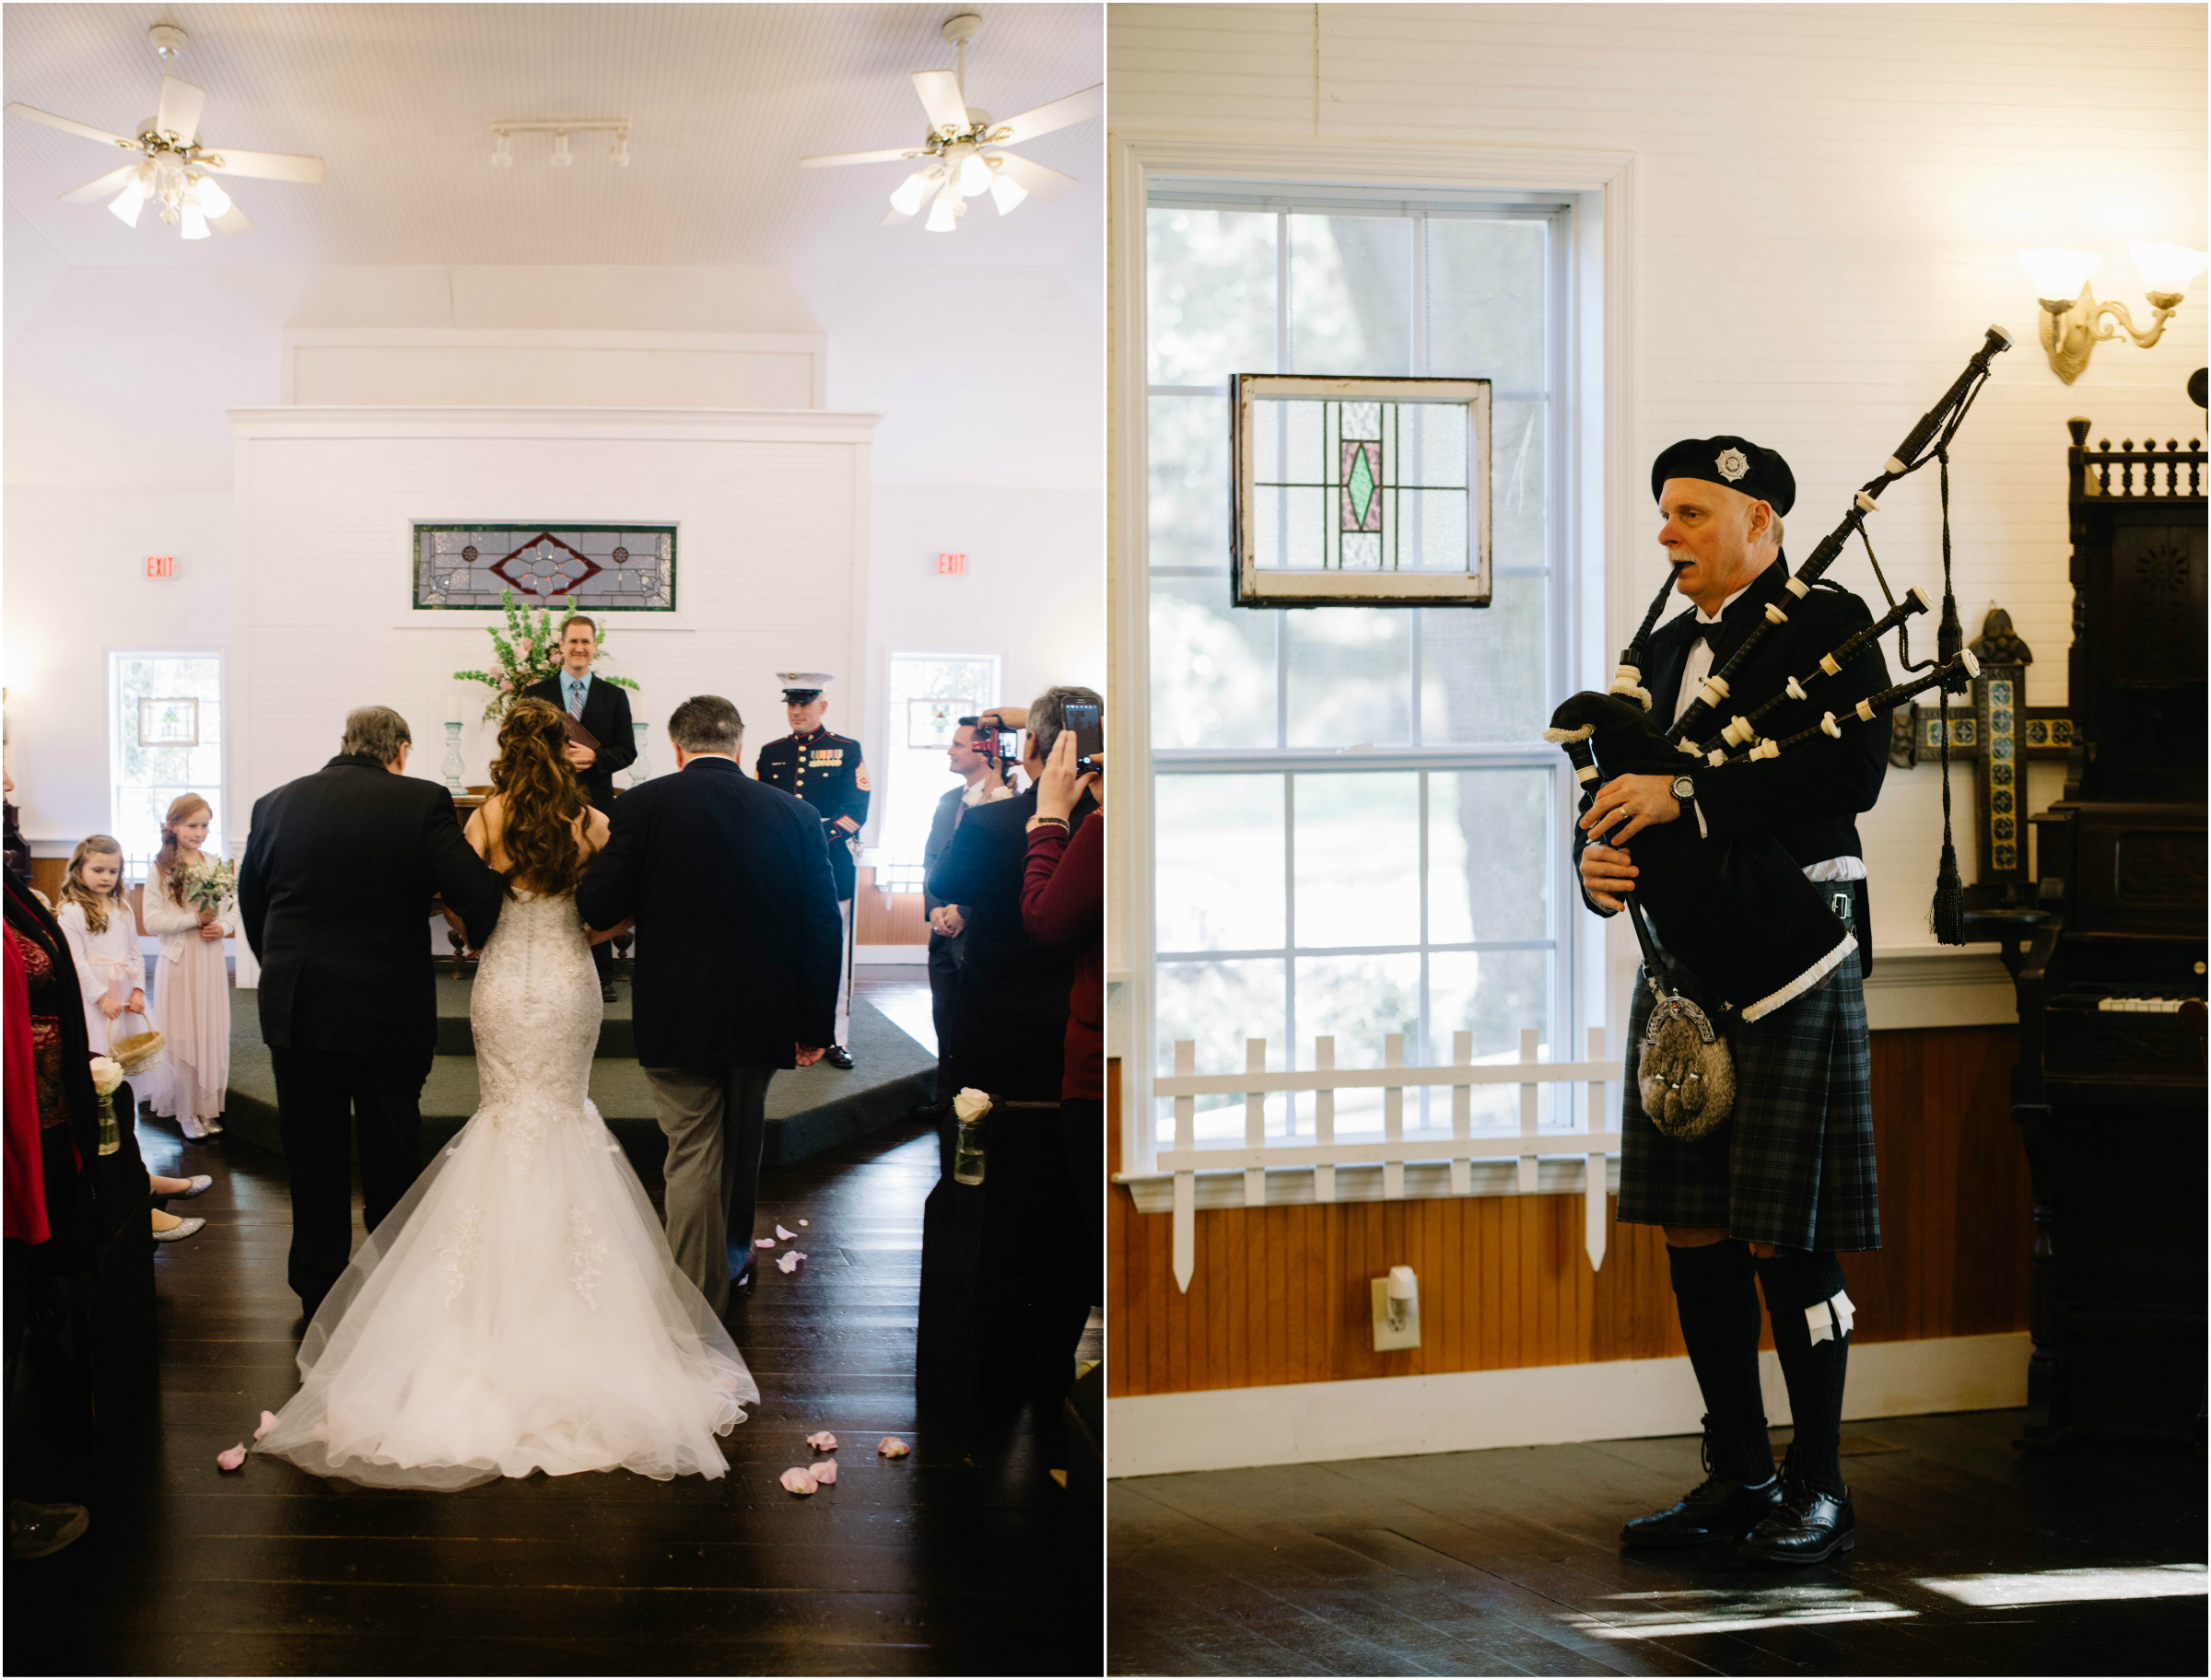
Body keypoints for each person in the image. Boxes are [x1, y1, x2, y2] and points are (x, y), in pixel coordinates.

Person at [252, 699, 756, 1488]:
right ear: (568, 753)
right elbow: (614, 908)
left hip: (501, 986)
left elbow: (466, 903)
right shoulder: (590, 821)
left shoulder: (485, 818)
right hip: (565, 984)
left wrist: (483, 933)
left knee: (504, 1118)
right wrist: (578, 934)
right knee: (561, 1114)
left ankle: (447, 1312)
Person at [1576, 436, 1887, 1567]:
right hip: (1686, 963)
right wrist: (1594, 867)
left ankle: (1820, 1484)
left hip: (1797, 949)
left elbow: (1848, 778)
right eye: (1665, 514)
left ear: (1761, 523)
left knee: (1783, 1230)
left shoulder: (1832, 629)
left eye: (1693, 514)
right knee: (1695, 1223)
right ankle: (1738, 1471)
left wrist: (1689, 794)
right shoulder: (1655, 655)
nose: (1669, 534)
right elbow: (1615, 795)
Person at [237, 706, 506, 1319]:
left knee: (312, 1153)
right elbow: (474, 892)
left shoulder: (275, 803)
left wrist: (286, 970)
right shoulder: (421, 801)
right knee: (390, 1150)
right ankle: (391, 1289)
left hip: (299, 1007)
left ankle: (318, 1291)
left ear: (345, 743)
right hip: (386, 1009)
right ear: (401, 750)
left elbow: (255, 908)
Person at [579, 695, 844, 1313]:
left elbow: (597, 907)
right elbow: (820, 927)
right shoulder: (796, 813)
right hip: (763, 1011)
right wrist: (814, 1025)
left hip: (677, 1006)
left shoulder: (642, 805)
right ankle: (731, 1255)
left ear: (676, 749)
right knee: (742, 1140)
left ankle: (694, 1301)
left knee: (692, 1149)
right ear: (740, 747)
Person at [927, 688, 1101, 1107]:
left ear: (1032, 743)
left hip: (997, 1011)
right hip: (1079, 1017)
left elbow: (946, 883)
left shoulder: (992, 820)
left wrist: (991, 800)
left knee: (991, 1133)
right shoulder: (1104, 822)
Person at [54, 836, 209, 1243]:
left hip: (123, 998)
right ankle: (120, 1164)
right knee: (101, 1070)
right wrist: (98, 996)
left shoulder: (122, 907)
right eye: (98, 870)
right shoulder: (72, 910)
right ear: (79, 870)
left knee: (125, 1071)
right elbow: (72, 960)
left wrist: (138, 990)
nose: (106, 877)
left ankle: (135, 1162)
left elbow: (135, 952)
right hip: (96, 1003)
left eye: (113, 870)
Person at [1020, 728, 1105, 1327]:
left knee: (1099, 1219)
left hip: (1102, 1057)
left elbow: (1047, 921)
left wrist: (1050, 820)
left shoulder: (1107, 827)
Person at [754, 674, 868, 1068]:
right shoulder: (771, 753)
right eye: (791, 704)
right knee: (781, 952)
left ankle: (834, 1038)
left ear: (822, 706)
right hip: (780, 869)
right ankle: (784, 1031)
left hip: (831, 865)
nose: (797, 711)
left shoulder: (846, 750)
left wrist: (815, 838)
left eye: (805, 703)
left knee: (832, 955)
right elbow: (758, 808)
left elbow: (857, 811)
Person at [524, 614, 638, 1004]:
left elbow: (628, 751)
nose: (579, 648)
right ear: (561, 645)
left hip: (597, 807)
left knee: (596, 884)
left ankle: (601, 977)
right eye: (573, 641)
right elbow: (525, 749)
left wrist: (596, 757)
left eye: (586, 642)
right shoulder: (536, 694)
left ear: (594, 646)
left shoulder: (614, 696)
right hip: (548, 801)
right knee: (547, 880)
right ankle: (542, 972)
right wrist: (557, 760)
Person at [140, 794, 236, 1141]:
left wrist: (222, 927)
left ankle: (205, 1108)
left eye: (205, 825)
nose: (199, 832)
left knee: (208, 1031)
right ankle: (184, 1111)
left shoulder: (214, 864)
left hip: (209, 957)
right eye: (192, 825)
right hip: (180, 961)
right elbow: (151, 921)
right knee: (183, 1034)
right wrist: (194, 918)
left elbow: (231, 909)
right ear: (173, 826)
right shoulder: (162, 868)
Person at [921, 717, 1004, 1112]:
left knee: (973, 1026)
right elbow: (932, 860)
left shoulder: (1007, 799)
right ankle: (943, 1102)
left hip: (977, 933)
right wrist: (935, 907)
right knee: (943, 1020)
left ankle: (972, 1105)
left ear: (984, 749)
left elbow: (999, 866)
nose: (950, 751)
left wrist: (963, 910)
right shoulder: (948, 800)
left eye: (957, 744)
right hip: (941, 933)